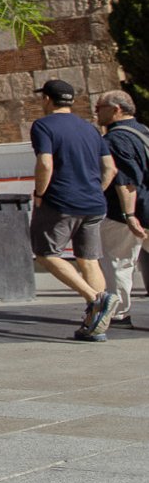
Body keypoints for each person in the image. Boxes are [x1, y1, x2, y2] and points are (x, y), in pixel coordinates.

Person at [28, 79, 119, 342]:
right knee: (89, 260)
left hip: (60, 201)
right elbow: (110, 168)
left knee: (46, 253)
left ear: (47, 99)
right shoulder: (91, 129)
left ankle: (96, 299)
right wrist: (96, 190)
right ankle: (96, 324)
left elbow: (45, 163)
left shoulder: (43, 126)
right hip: (94, 203)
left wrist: (40, 194)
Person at [96, 91, 149, 327]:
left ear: (116, 109)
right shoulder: (144, 132)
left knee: (118, 262)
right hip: (146, 206)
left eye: (100, 107)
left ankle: (118, 313)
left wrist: (129, 215)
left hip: (125, 213)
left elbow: (126, 180)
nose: (96, 111)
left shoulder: (114, 140)